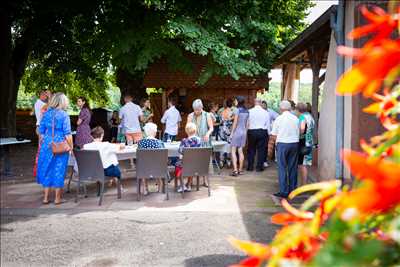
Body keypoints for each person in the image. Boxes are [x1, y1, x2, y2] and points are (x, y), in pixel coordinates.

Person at [37, 92, 73, 205]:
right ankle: (57, 199)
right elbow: (68, 134)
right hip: (60, 145)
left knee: (47, 169)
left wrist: (42, 142)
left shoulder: (46, 113)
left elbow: (41, 131)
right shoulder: (64, 115)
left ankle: (46, 198)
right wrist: (71, 147)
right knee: (59, 170)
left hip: (47, 144)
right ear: (62, 102)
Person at [271, 100, 300, 199]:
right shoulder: (295, 118)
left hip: (283, 144)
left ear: (281, 108)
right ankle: (293, 190)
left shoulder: (278, 119)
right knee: (293, 168)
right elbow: (299, 131)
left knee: (282, 167)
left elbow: (274, 134)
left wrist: (276, 144)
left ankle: (284, 191)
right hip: (294, 143)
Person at [137, 122, 165, 195]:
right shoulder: (160, 143)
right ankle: (160, 188)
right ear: (155, 132)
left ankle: (145, 189)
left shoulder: (141, 143)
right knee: (159, 165)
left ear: (146, 132)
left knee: (143, 165)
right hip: (157, 168)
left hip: (145, 168)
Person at [175, 122, 201, 192]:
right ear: (195, 131)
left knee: (177, 165)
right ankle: (189, 185)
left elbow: (180, 151)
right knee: (191, 166)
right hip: (197, 164)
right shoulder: (199, 140)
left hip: (186, 164)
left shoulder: (184, 141)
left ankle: (182, 185)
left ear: (186, 131)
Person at [247, 98, 270, 172]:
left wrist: (247, 131)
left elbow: (247, 123)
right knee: (261, 150)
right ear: (260, 103)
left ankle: (250, 167)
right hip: (262, 131)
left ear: (254, 102)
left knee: (251, 149)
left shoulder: (249, 111)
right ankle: (259, 167)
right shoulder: (265, 112)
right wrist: (268, 134)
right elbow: (268, 124)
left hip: (252, 131)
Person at [297, 102, 315, 185]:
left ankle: (303, 185)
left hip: (303, 142)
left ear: (298, 110)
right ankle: (304, 183)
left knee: (302, 165)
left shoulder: (302, 117)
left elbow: (302, 129)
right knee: (305, 164)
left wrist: (297, 134)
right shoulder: (310, 117)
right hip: (310, 141)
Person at [230, 96, 249, 176]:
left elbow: (235, 123)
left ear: (238, 101)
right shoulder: (247, 111)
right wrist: (245, 132)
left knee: (233, 151)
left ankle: (235, 170)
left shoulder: (237, 110)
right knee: (240, 151)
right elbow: (247, 124)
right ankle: (240, 170)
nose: (234, 102)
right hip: (244, 132)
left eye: (235, 100)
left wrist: (231, 133)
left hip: (237, 132)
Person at [218, 98, 234, 167]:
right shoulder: (232, 112)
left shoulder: (222, 112)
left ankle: (221, 161)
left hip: (221, 130)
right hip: (228, 130)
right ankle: (228, 161)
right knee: (229, 145)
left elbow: (220, 121)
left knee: (222, 145)